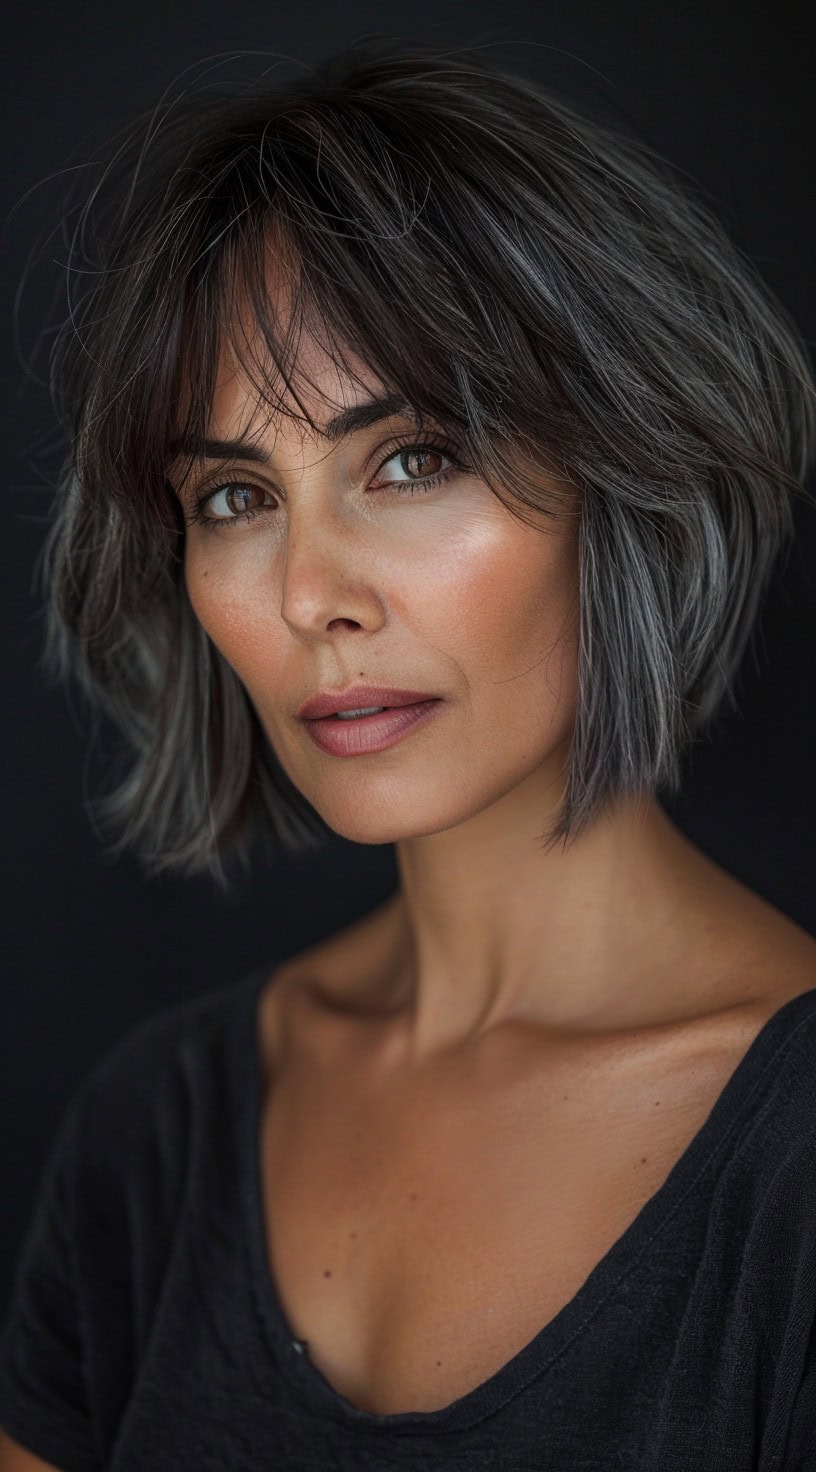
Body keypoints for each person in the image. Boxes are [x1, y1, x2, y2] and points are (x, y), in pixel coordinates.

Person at [1, 36, 815, 1472]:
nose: (312, 590)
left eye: (411, 459)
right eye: (238, 495)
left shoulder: (792, 1175)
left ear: (624, 469)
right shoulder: (154, 1132)